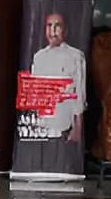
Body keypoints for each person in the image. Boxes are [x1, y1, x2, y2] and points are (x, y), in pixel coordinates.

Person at [30, 12, 85, 144]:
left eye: (57, 26)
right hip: (42, 126)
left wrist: (77, 127)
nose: (53, 30)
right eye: (49, 25)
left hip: (64, 126)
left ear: (65, 30)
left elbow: (80, 94)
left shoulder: (75, 56)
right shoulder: (38, 57)